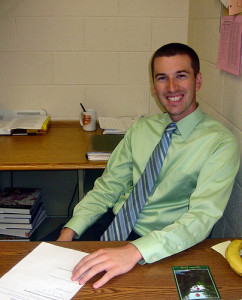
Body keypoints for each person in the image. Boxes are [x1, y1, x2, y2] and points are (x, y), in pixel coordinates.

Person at [57, 43, 240, 289]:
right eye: (162, 78)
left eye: (181, 76)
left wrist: (133, 251)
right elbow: (108, 186)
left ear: (198, 81)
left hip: (164, 242)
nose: (172, 87)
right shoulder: (142, 128)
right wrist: (71, 228)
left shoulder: (221, 143)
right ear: (154, 87)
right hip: (113, 223)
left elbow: (201, 218)